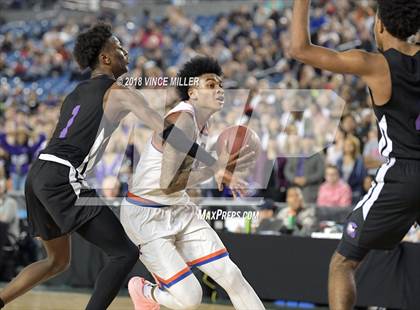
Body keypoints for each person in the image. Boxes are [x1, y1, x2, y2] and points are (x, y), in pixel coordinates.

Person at [0, 24, 233, 310]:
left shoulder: (74, 92)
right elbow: (166, 130)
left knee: (57, 261)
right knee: (123, 253)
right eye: (119, 47)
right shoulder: (119, 91)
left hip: (38, 174)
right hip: (62, 176)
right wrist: (213, 162)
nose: (126, 52)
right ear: (105, 59)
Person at [290, 1, 420, 309]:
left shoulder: (375, 65)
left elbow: (300, 50)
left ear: (379, 26)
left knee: (342, 263)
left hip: (402, 177)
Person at [121, 56, 265, 310]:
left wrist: (221, 171)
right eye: (210, 85)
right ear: (193, 92)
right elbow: (168, 183)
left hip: (179, 208)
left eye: (221, 84)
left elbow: (182, 182)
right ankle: (145, 291)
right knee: (190, 299)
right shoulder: (183, 120)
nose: (219, 89)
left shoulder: (203, 124)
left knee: (231, 275)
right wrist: (215, 167)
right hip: (146, 216)